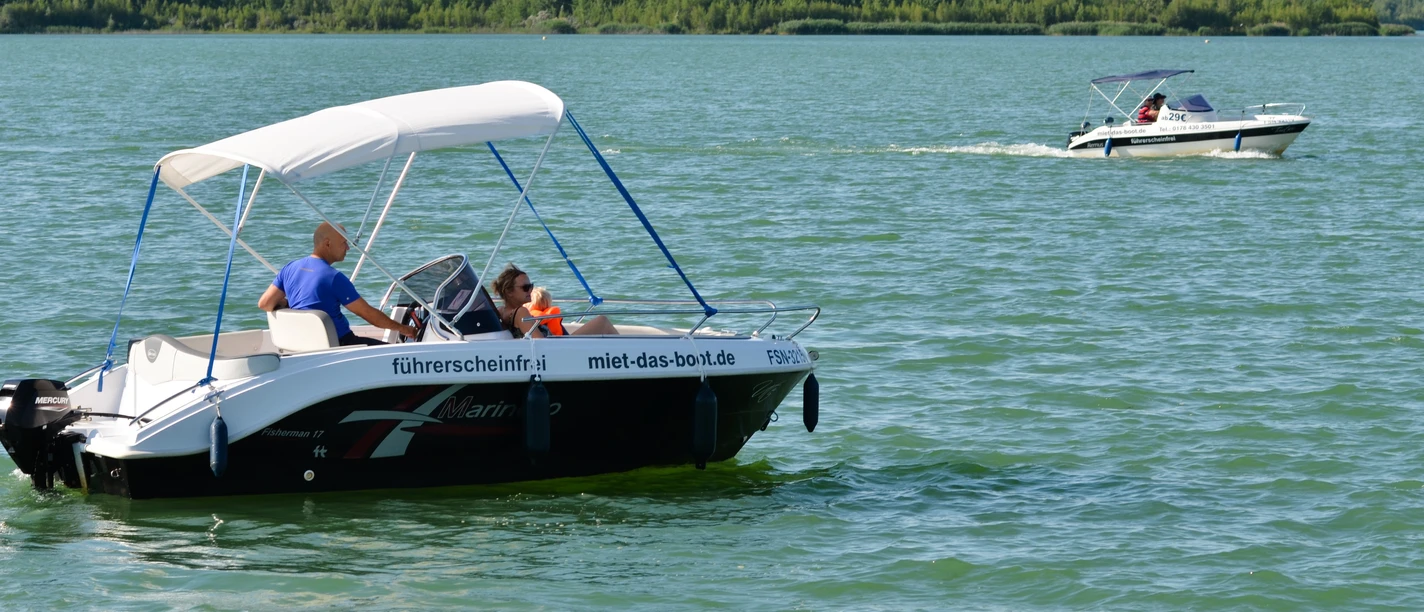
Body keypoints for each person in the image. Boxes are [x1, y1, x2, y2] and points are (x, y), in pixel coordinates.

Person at [258, 222, 416, 346]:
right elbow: (368, 314)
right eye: (344, 242)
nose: (348, 248)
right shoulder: (333, 277)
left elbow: (265, 303)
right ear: (327, 243)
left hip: (305, 345)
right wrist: (405, 329)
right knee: (397, 354)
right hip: (340, 344)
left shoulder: (290, 268)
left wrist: (290, 303)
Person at [491, 264, 617, 338]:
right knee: (602, 322)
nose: (530, 290)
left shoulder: (500, 311)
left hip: (557, 343)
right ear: (509, 292)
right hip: (559, 348)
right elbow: (540, 343)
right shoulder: (521, 312)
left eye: (531, 286)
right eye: (525, 287)